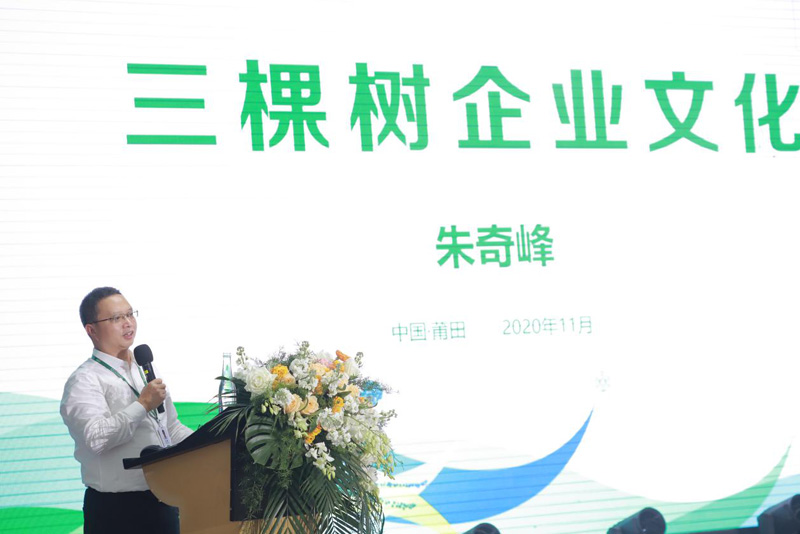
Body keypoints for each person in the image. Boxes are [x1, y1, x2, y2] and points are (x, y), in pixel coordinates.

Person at [60, 287, 193, 534]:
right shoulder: (84, 380)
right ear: (91, 330)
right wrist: (142, 405)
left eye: (130, 314)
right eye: (116, 318)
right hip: (116, 511)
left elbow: (170, 428)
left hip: (163, 500)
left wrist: (212, 441)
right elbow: (96, 438)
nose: (128, 323)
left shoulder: (144, 369)